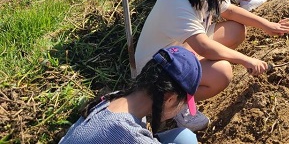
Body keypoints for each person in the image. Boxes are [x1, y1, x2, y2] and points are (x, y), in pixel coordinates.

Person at [134, 0, 289, 132]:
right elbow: (203, 46)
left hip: (177, 50)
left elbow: (231, 12)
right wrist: (247, 60)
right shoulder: (176, 2)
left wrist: (267, 25)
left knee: (236, 30)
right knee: (222, 73)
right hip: (155, 69)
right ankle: (173, 104)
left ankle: (190, 80)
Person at [60, 46, 201, 144]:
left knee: (184, 138)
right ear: (170, 99)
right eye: (183, 103)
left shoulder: (114, 98)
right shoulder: (131, 135)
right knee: (187, 140)